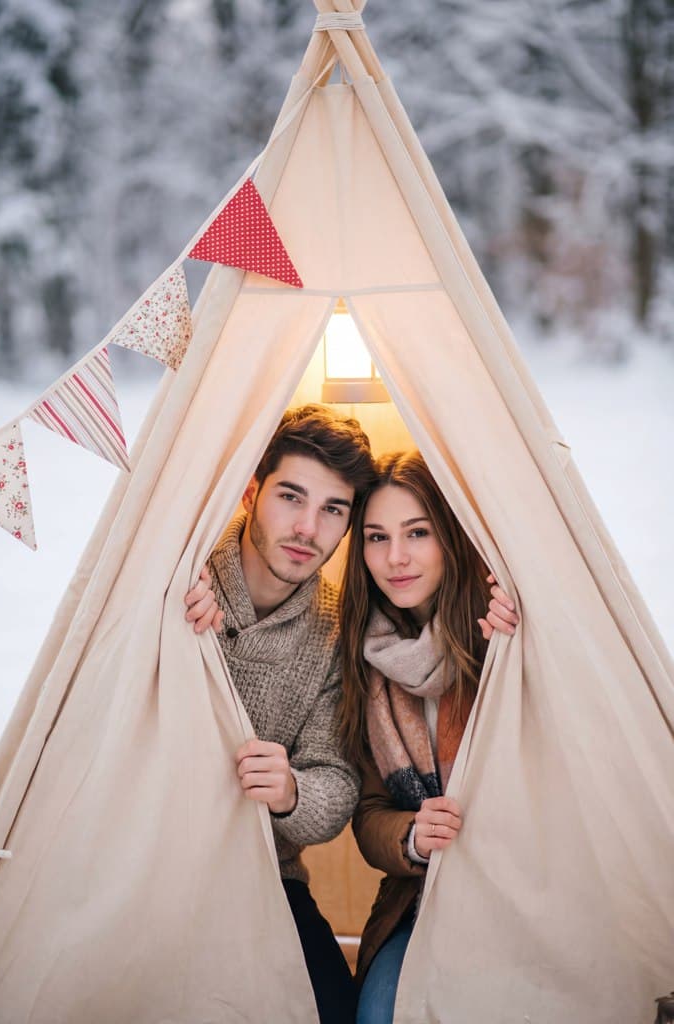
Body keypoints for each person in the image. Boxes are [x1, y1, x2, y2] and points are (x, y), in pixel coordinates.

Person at [184, 414, 518, 1022]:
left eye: (333, 509)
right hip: (164, 854)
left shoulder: (341, 632)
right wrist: (170, 610)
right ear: (250, 493)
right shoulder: (180, 576)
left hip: (269, 872)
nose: (307, 528)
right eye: (291, 497)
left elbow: (337, 792)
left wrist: (290, 791)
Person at [338, 450, 518, 1024]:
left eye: (417, 532)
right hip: (419, 901)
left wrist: (518, 656)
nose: (395, 558)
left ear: (449, 537)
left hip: (518, 892)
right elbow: (368, 814)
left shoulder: (502, 631)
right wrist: (413, 836)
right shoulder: (363, 661)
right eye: (377, 537)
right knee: (379, 1014)